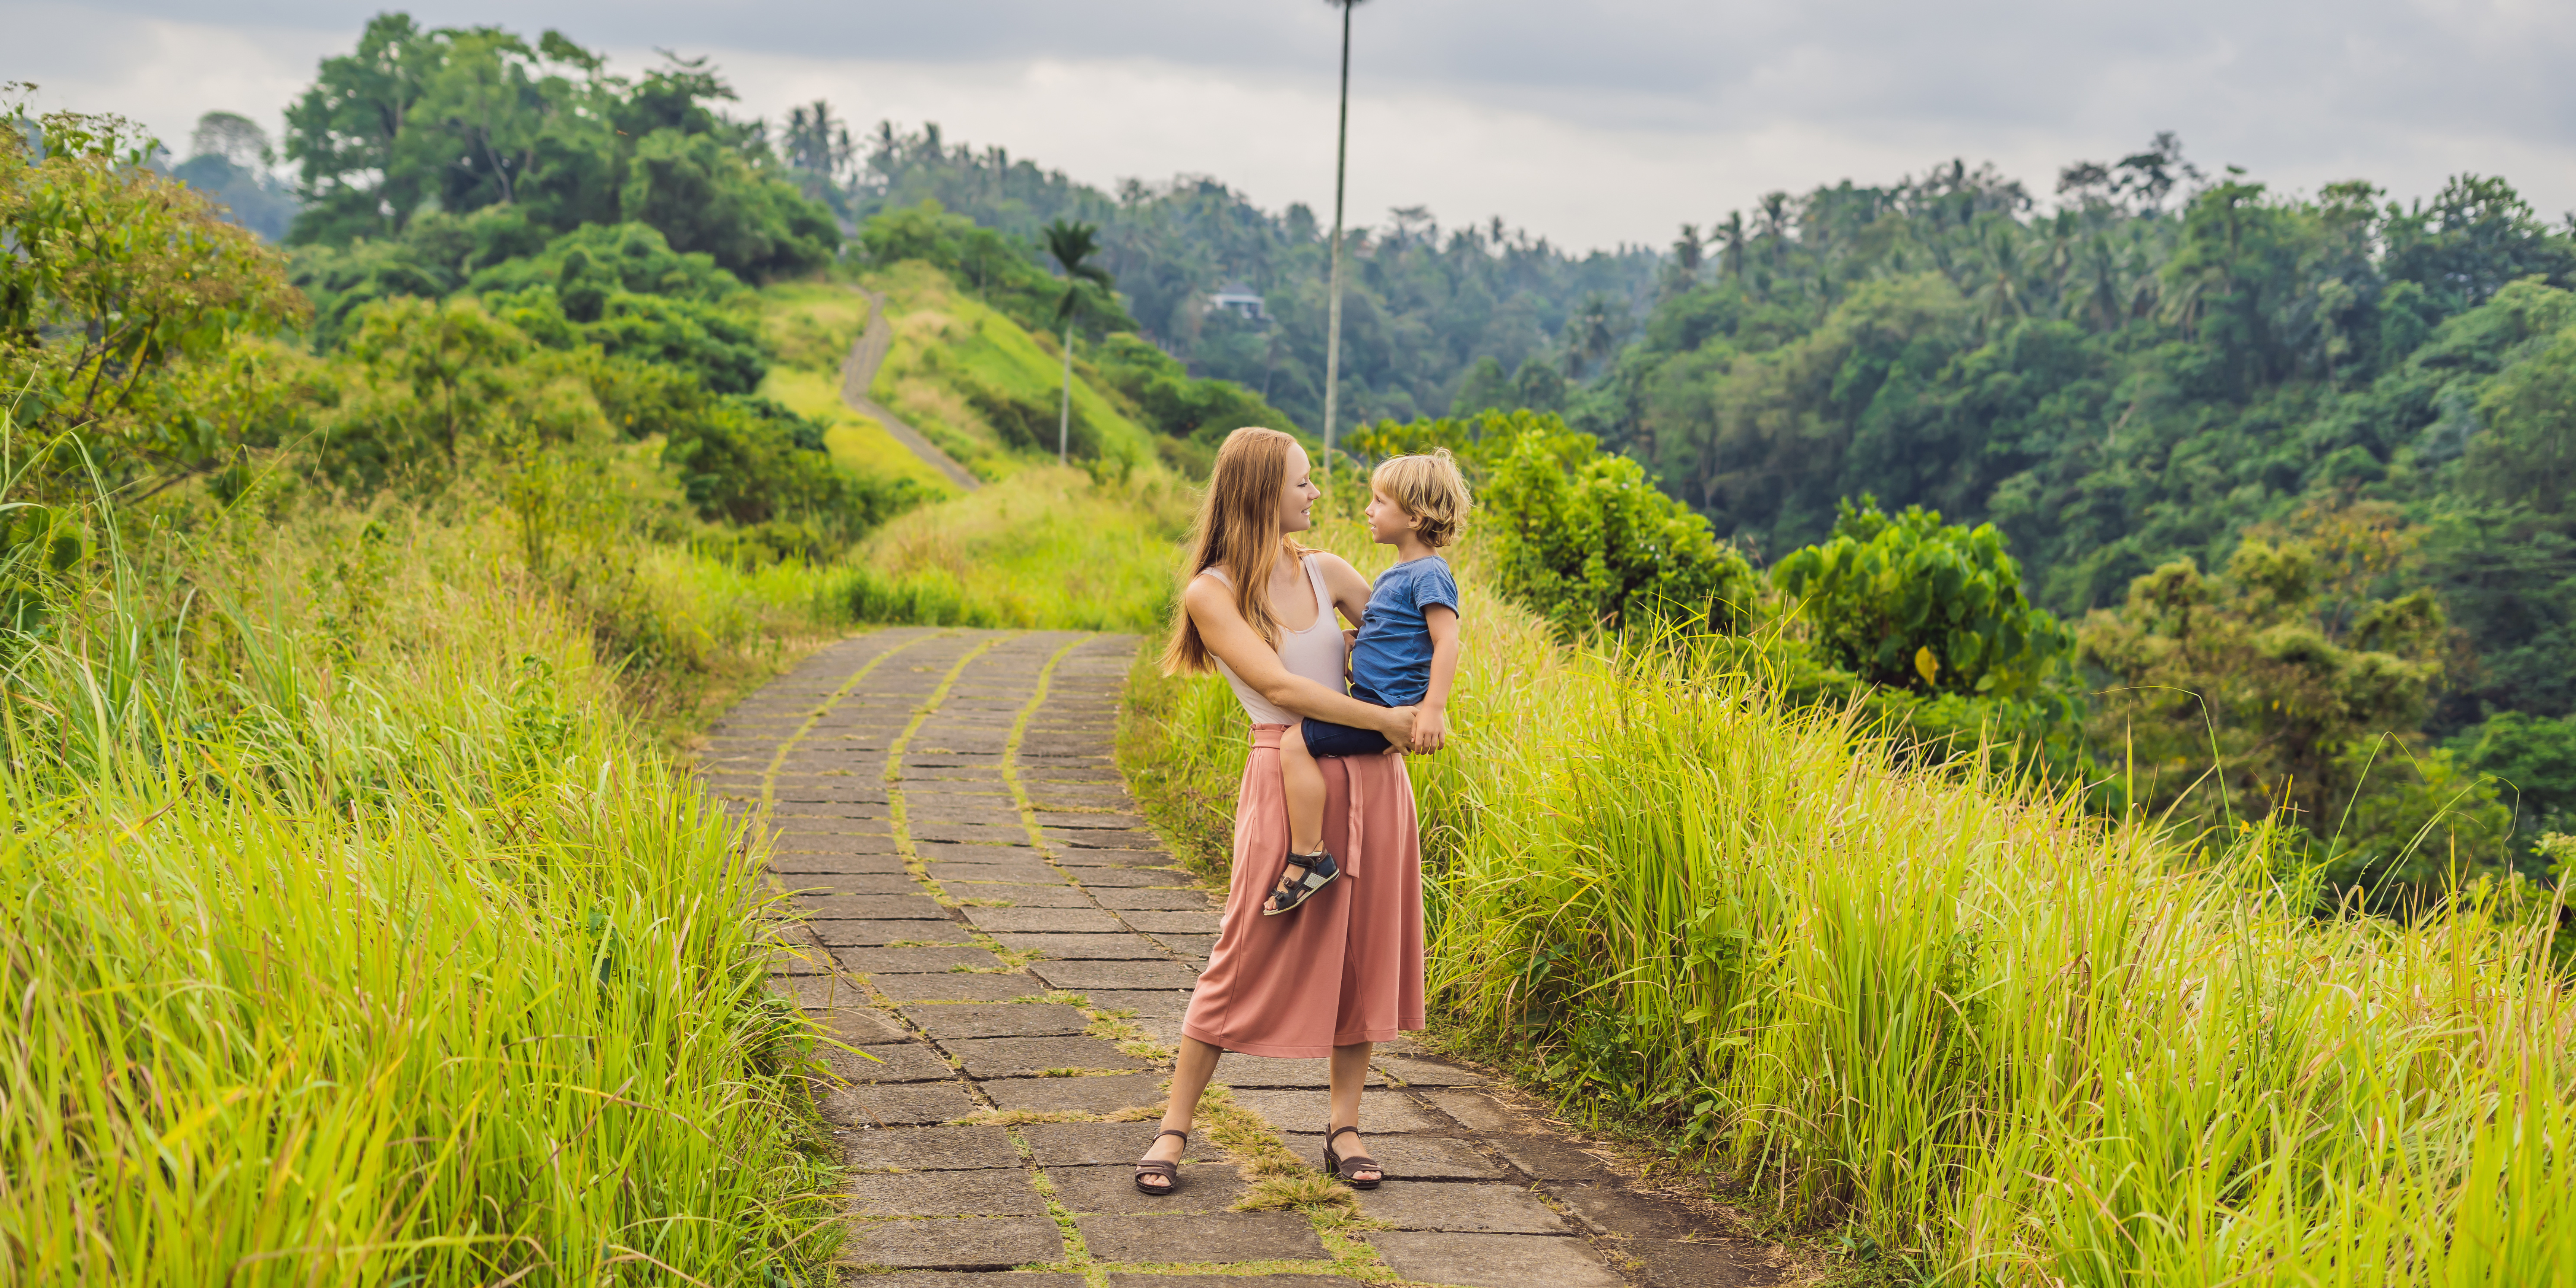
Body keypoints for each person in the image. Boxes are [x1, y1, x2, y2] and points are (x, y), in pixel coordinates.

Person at [1131, 426, 1429, 1198]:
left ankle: (1344, 1127)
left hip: (1373, 779)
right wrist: (1387, 720)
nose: (1316, 494)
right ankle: (1173, 1129)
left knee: (1363, 952)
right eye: (1302, 482)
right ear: (1263, 490)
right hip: (1289, 772)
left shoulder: (1329, 570)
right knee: (1243, 949)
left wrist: (1415, 693)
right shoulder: (1213, 592)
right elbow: (1284, 690)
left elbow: (1410, 634)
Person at [1263, 450, 1468, 917]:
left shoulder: (1430, 572)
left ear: (1414, 517)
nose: (1368, 510)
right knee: (1303, 742)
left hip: (1387, 706)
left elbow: (1447, 641)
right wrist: (1360, 641)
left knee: (1295, 745)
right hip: (1376, 697)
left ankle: (1308, 856)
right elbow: (1401, 634)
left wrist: (1434, 708)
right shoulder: (1401, 573)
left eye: (1379, 501)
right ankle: (1310, 850)